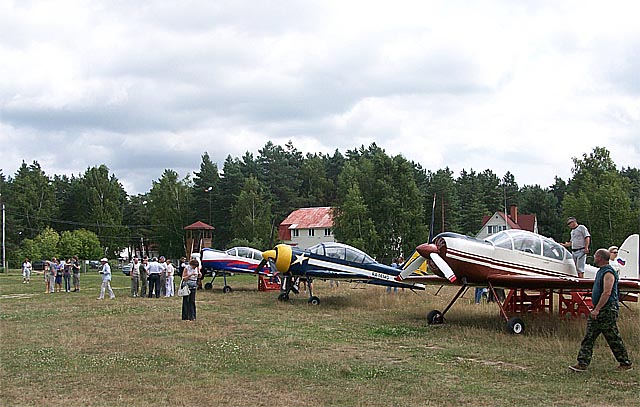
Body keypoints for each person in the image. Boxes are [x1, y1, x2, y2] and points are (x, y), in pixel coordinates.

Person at [569, 248, 633, 372]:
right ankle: (582, 363)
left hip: (607, 310)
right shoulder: (601, 271)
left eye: (596, 256)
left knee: (613, 337)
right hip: (600, 309)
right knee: (589, 336)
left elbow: (607, 292)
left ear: (600, 258)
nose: (594, 257)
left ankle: (625, 363)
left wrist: (597, 309)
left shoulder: (608, 272)